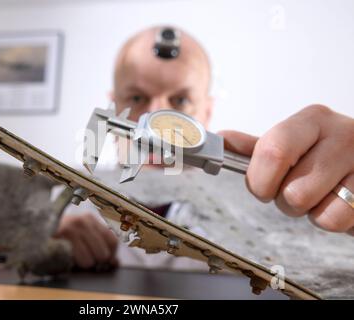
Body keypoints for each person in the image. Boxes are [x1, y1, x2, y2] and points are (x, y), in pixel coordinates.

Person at [40, 25, 354, 270]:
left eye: (180, 100)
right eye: (136, 98)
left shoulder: (271, 200)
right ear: (113, 107)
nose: (154, 121)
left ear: (206, 113)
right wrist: (36, 239)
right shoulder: (66, 191)